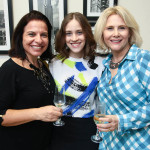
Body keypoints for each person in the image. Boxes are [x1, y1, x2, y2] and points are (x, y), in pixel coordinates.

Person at [0, 10, 62, 150]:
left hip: (43, 143)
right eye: (31, 34)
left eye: (44, 35)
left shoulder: (42, 65)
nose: (39, 40)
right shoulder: (10, 69)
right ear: (20, 37)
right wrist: (37, 113)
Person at [94, 6, 150, 149]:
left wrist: (121, 121)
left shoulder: (143, 59)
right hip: (109, 144)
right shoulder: (105, 65)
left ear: (130, 32)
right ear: (102, 33)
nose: (116, 34)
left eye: (122, 28)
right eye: (110, 28)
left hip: (140, 145)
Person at [49, 12, 104, 150]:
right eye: (69, 33)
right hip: (59, 128)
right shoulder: (54, 63)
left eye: (79, 32)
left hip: (89, 129)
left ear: (86, 33)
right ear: (63, 36)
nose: (74, 38)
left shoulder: (101, 63)